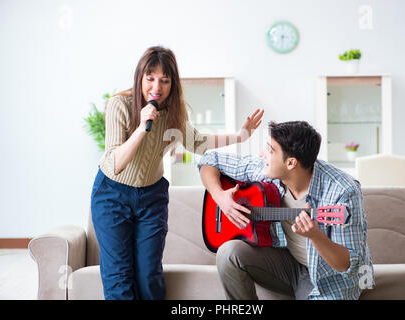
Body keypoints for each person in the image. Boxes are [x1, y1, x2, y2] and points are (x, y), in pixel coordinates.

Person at [90, 46, 264, 300]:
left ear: (173, 84)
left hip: (151, 197)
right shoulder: (120, 104)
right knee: (118, 276)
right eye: (149, 78)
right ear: (140, 78)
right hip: (112, 195)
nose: (156, 87)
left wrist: (240, 136)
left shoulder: (175, 112)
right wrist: (141, 126)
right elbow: (116, 162)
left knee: (149, 274)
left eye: (164, 80)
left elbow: (198, 143)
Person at [198, 120, 373, 300]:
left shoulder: (343, 191)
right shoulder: (266, 170)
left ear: (291, 163)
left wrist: (316, 236)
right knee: (228, 253)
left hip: (329, 278)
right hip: (288, 263)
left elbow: (347, 264)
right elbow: (209, 160)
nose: (262, 154)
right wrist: (220, 197)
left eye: (270, 150)